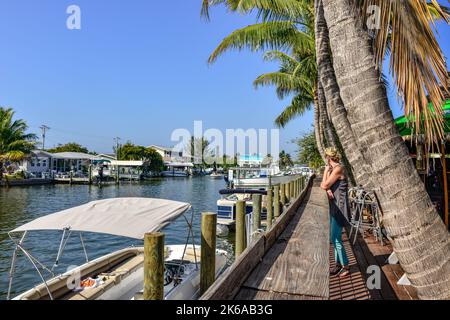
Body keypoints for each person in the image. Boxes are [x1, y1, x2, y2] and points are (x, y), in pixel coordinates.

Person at [320, 147, 350, 278]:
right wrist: (327, 190)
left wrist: (326, 171)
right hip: (335, 207)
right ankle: (338, 264)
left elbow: (324, 184)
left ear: (328, 158)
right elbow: (324, 186)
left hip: (340, 209)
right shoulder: (334, 169)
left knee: (335, 237)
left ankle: (346, 266)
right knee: (335, 237)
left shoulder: (338, 169)